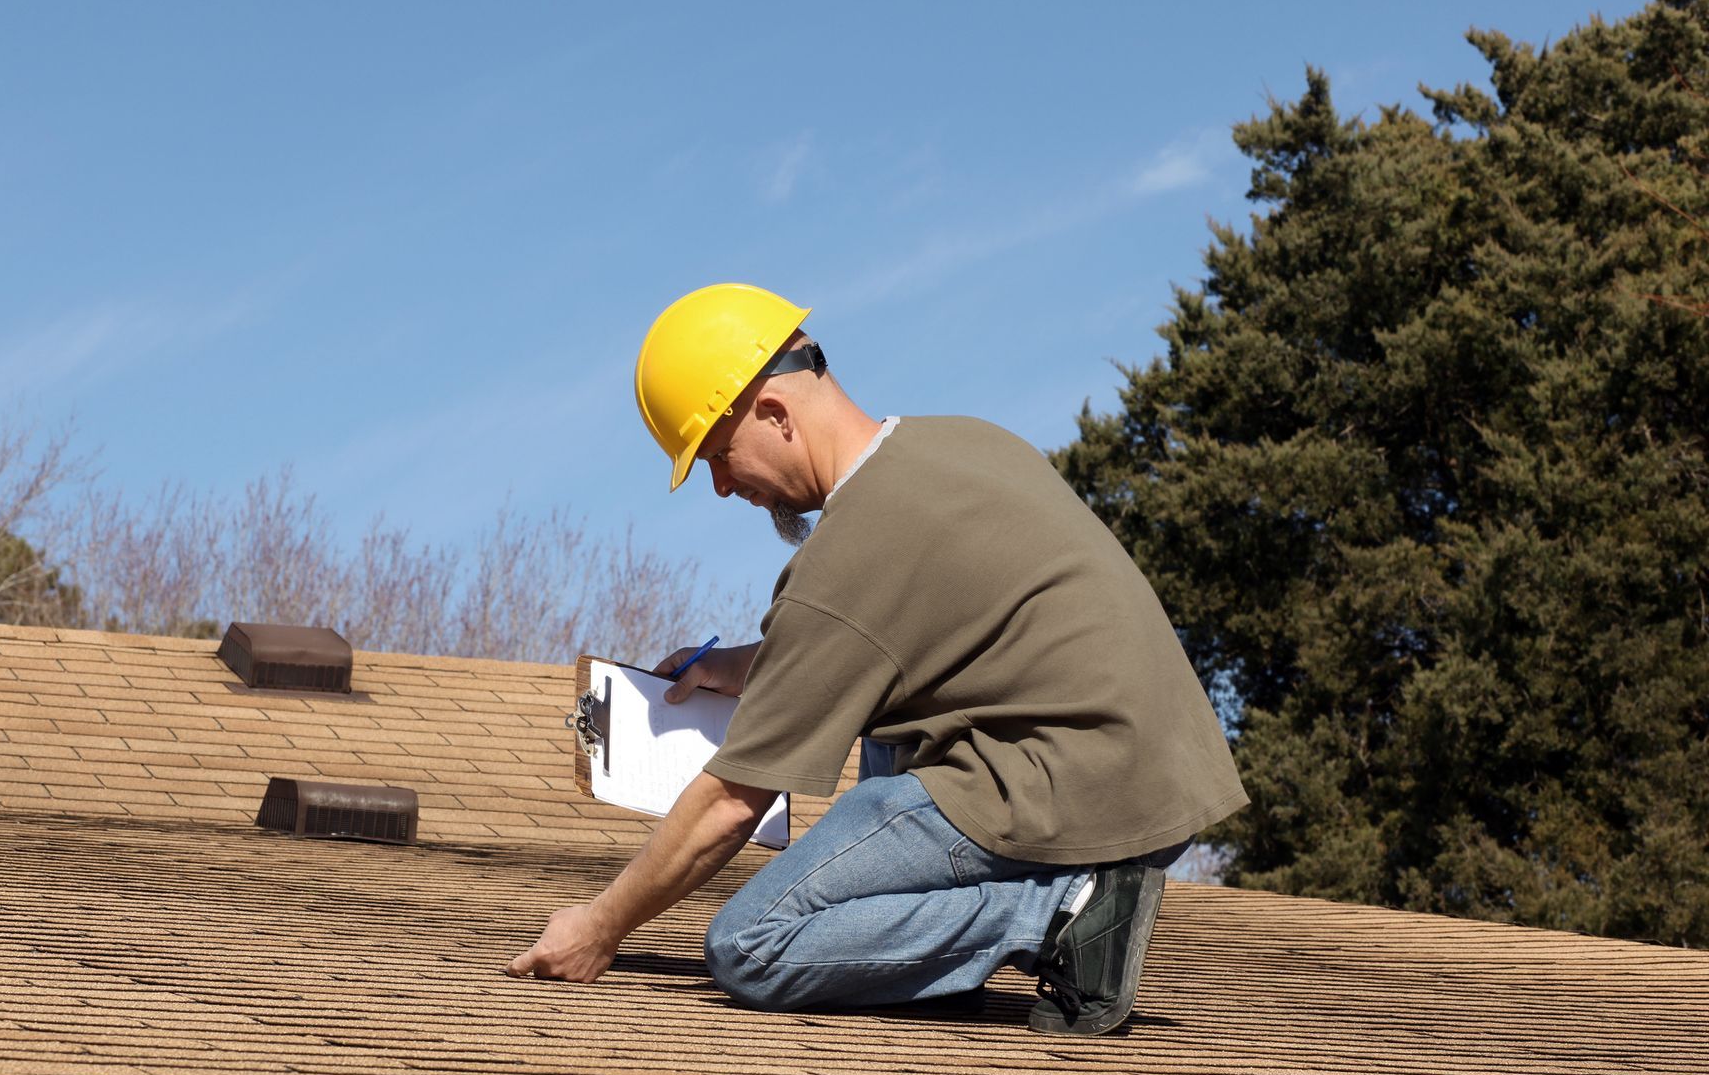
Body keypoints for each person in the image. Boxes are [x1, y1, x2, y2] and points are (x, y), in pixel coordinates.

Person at [506, 283, 1247, 1035]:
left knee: (748, 945)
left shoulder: (847, 557)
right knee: (885, 718)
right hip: (1152, 773)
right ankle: (938, 965)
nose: (725, 487)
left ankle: (1062, 913)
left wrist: (601, 924)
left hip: (1071, 791)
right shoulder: (961, 445)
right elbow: (894, 635)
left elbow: (732, 802)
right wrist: (745, 664)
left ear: (773, 413)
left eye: (717, 456)